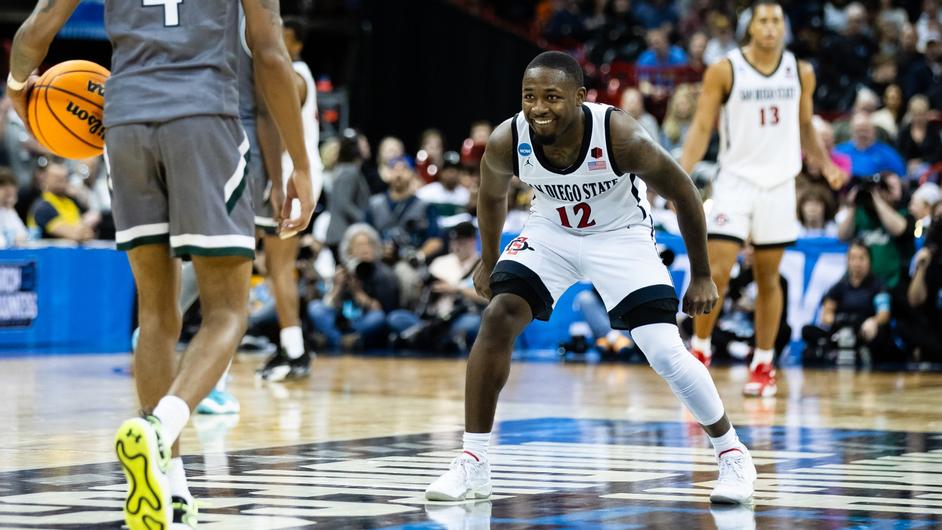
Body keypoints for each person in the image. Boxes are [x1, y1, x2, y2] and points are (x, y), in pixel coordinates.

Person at [6, 1, 314, 529]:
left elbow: (34, 33)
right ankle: (156, 427)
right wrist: (300, 162)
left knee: (156, 314)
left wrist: (18, 93)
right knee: (226, 312)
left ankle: (171, 487)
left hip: (123, 123)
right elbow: (268, 51)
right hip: (204, 119)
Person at [425, 51, 758, 505]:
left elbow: (684, 192)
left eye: (552, 97)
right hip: (551, 232)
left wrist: (701, 273)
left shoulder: (620, 135)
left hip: (620, 236)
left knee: (664, 350)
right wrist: (487, 258)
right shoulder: (508, 139)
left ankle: (732, 452)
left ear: (580, 97)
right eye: (529, 97)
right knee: (499, 315)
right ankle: (473, 462)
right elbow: (491, 195)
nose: (538, 108)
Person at [679, 0, 846, 397]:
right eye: (764, 21)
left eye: (777, 21)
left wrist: (824, 164)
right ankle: (700, 353)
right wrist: (680, 175)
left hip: (778, 185)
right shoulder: (725, 69)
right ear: (749, 28)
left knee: (769, 277)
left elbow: (805, 125)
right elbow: (703, 127)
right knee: (715, 271)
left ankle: (763, 363)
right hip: (735, 181)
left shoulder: (800, 71)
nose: (771, 27)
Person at [254, 16, 325, 382]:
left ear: (295, 42)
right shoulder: (300, 72)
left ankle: (295, 351)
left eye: (282, 33)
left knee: (279, 269)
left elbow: (280, 132)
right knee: (273, 268)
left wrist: (276, 181)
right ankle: (293, 345)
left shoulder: (293, 76)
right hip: (293, 175)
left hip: (289, 177)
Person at [802, 241, 894, 365]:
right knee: (807, 331)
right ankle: (831, 350)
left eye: (862, 258)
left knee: (879, 334)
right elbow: (826, 313)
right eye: (853, 258)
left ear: (869, 260)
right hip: (841, 330)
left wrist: (873, 321)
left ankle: (862, 353)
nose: (857, 263)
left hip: (863, 330)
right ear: (848, 261)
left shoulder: (878, 285)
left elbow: (884, 313)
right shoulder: (840, 286)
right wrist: (837, 322)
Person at [26, 159, 97, 242]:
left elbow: (89, 234)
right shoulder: (42, 207)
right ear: (45, 179)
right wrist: (83, 228)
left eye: (64, 178)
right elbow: (76, 235)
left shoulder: (71, 202)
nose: (62, 182)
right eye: (57, 178)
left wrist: (83, 230)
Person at [0, 168, 27, 248]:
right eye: (2, 185)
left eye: (11, 185)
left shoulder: (9, 211)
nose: (8, 189)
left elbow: (22, 235)